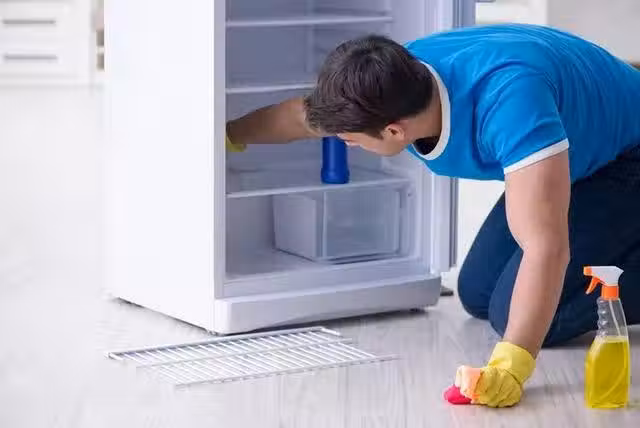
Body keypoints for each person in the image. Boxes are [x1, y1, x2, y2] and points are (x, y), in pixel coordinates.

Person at [225, 24, 640, 407]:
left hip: (627, 154)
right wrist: (225, 136)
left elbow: (545, 247)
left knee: (523, 319)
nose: (346, 144)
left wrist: (511, 367)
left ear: (394, 131)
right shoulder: (389, 80)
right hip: (581, 145)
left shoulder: (511, 103)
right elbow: (302, 117)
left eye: (350, 139)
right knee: (478, 294)